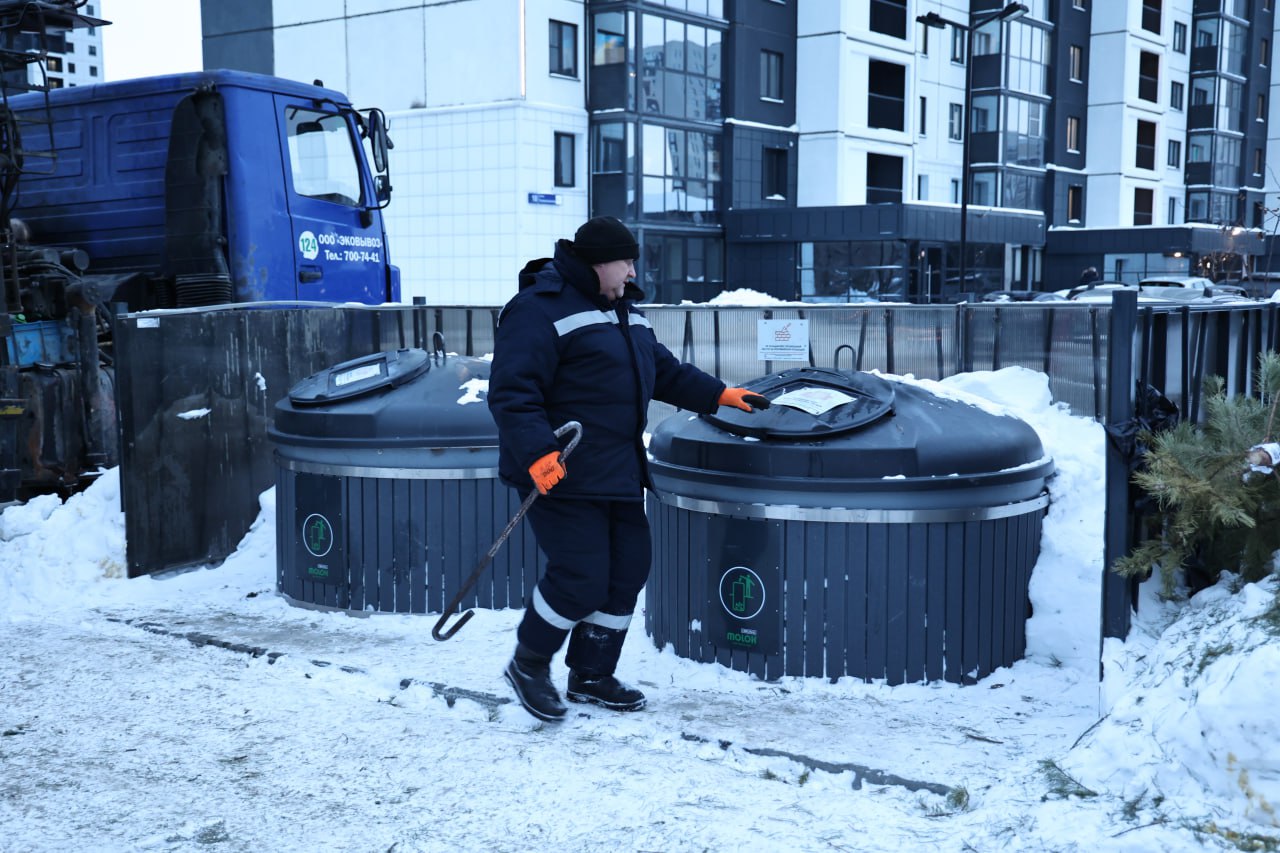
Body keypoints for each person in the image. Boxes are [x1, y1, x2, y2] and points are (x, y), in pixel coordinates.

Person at [487, 216, 767, 722]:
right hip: (562, 471)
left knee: (627, 569)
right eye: (627, 261)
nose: (632, 271)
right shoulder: (537, 310)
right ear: (599, 262)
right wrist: (537, 453)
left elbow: (662, 370)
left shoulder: (625, 312)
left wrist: (719, 394)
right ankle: (528, 664)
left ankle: (592, 674)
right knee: (580, 576)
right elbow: (513, 392)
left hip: (617, 469)